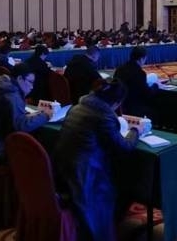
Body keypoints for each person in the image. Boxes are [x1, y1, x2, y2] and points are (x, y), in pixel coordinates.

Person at [54, 79, 143, 241]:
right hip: (86, 175)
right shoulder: (103, 115)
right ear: (116, 103)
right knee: (128, 181)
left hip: (63, 167)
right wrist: (136, 130)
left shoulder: (77, 107)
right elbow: (124, 146)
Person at [0, 63, 51, 168]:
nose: (32, 87)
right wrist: (46, 116)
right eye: (30, 82)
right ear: (20, 78)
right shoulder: (11, 95)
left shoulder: (2, 86)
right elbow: (21, 126)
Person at [113, 46, 158, 118]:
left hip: (120, 106)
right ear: (141, 58)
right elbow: (147, 93)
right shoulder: (139, 73)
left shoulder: (119, 69)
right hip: (134, 109)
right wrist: (156, 85)